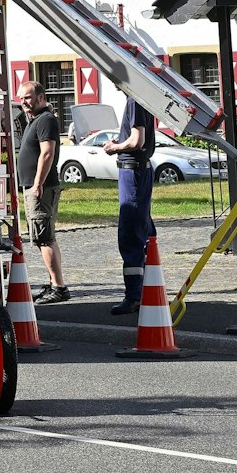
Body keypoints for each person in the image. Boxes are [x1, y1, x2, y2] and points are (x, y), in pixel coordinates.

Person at [103, 98, 159, 316]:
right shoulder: (142, 98)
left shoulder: (135, 100)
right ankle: (150, 286)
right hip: (139, 170)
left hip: (133, 171)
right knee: (145, 230)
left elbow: (136, 141)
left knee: (131, 233)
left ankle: (135, 295)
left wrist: (115, 147)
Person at [16, 82, 69, 303]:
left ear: (40, 97)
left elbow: (47, 153)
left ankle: (59, 287)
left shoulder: (45, 120)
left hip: (42, 188)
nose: (23, 103)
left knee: (44, 237)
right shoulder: (35, 120)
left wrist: (38, 183)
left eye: (27, 98)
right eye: (21, 99)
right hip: (35, 186)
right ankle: (52, 284)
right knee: (43, 238)